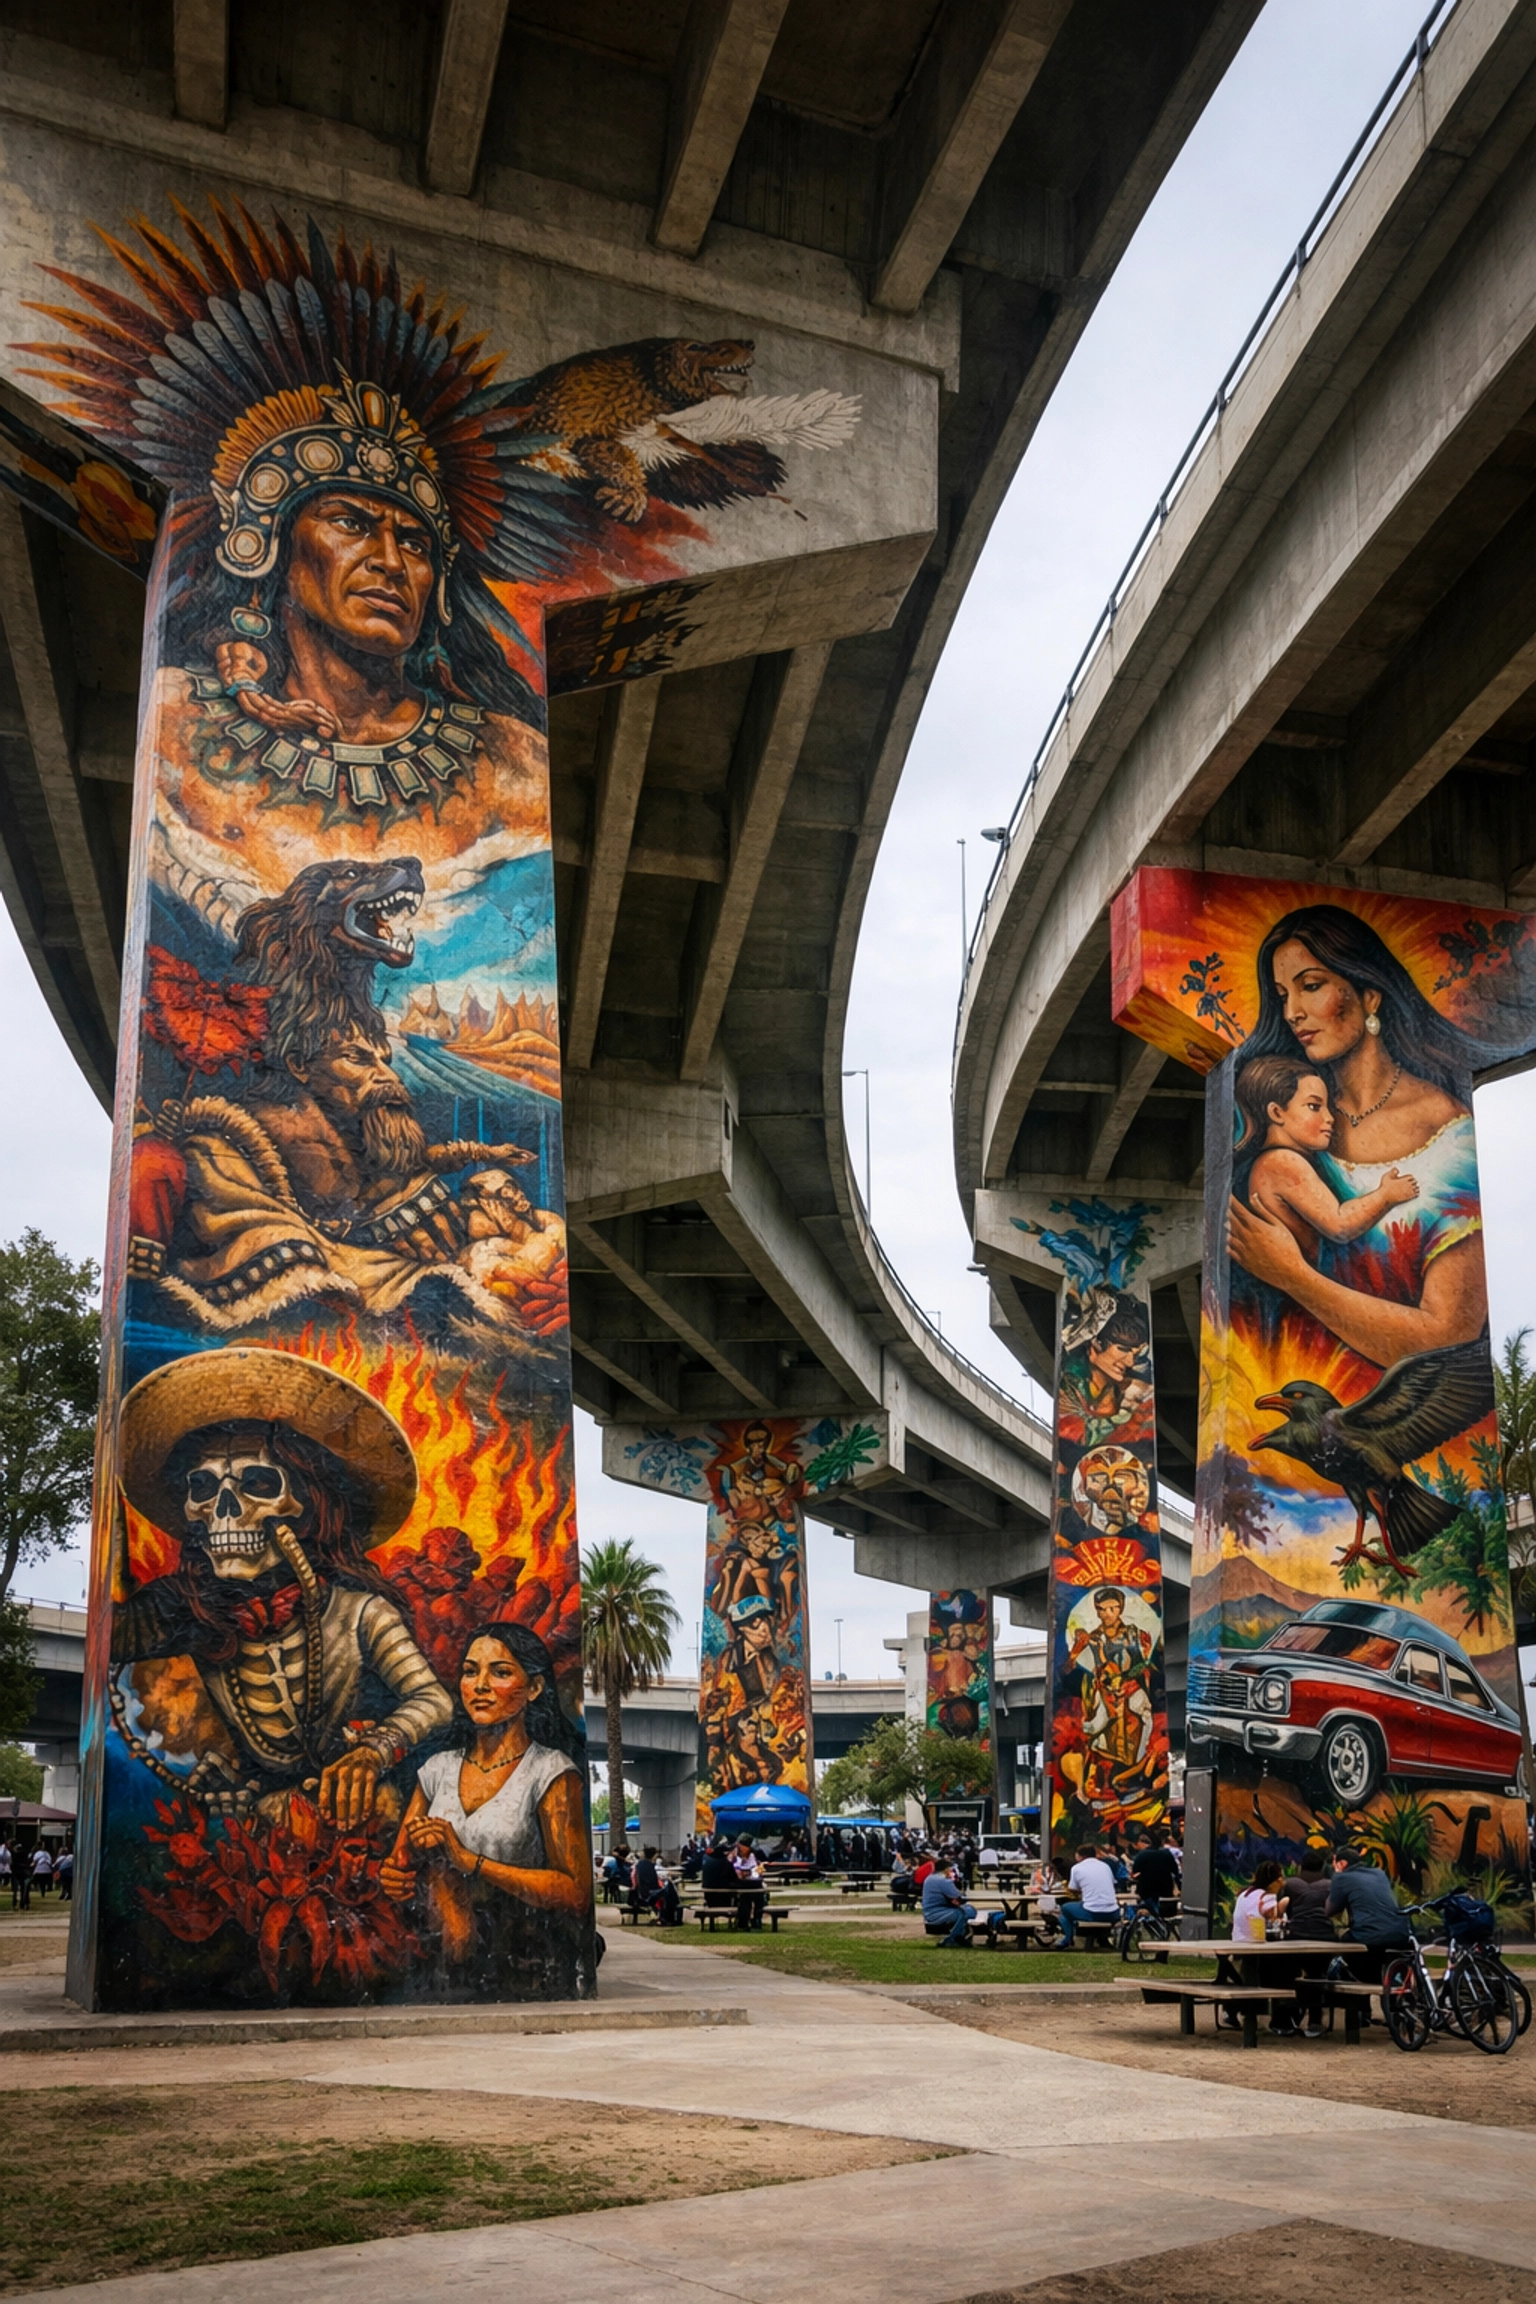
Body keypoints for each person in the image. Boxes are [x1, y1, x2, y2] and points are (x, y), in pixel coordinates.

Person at [1227, 906, 1492, 1369]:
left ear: (1370, 996)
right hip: (1279, 1377)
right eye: (1282, 995)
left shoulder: (1444, 1132)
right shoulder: (1283, 1115)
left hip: (1390, 1404)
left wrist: (1294, 1277)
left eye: (1311, 986)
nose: (1291, 1012)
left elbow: (1451, 1335)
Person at [382, 1622, 589, 1996]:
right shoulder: (437, 1769)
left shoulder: (550, 1772)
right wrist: (395, 1876)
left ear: (534, 1688)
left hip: (517, 1961)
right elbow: (399, 1862)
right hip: (441, 1961)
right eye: (470, 1671)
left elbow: (575, 1892)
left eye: (501, 1672)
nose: (480, 1686)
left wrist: (470, 1861)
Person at [1235, 1057, 1418, 1262]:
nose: (1329, 1118)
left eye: (1327, 1107)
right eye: (1314, 1106)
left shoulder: (1272, 1161)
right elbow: (1340, 1226)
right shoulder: (1282, 1161)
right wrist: (1386, 1195)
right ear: (1277, 1113)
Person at [1326, 1846, 1413, 2010]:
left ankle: (1360, 2009)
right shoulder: (1379, 1874)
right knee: (1383, 1968)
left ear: (1342, 1863)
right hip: (1400, 1935)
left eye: (1334, 1863)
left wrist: (1336, 1881)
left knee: (1345, 1948)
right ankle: (1392, 2009)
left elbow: (1330, 1910)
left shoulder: (1342, 1878)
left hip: (1369, 1939)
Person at [921, 1857, 1002, 1949]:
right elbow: (957, 1895)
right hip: (937, 1913)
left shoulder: (929, 1878)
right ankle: (952, 1939)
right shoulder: (943, 1880)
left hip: (929, 1912)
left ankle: (963, 1935)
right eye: (950, 1869)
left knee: (968, 1910)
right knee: (964, 1913)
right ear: (946, 1869)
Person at [1058, 1841, 1120, 1950]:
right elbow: (1112, 1883)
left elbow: (1073, 1889)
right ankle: (1102, 1939)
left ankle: (1068, 1938)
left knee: (1065, 1909)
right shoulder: (1105, 1866)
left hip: (1092, 1911)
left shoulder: (1077, 1868)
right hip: (1113, 1912)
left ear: (1080, 1855)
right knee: (1076, 1909)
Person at [1130, 1830, 1180, 1918]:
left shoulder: (1141, 1855)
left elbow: (1134, 1873)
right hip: (1165, 1891)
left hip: (1146, 1892)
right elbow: (1175, 1871)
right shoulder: (1166, 1853)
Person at [1232, 1860, 1283, 1943]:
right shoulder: (1267, 1898)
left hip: (1238, 1942)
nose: (1282, 1883)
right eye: (1281, 1878)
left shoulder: (1244, 1894)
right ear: (1275, 1882)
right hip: (1256, 1945)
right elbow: (1273, 1926)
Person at [731, 1836, 768, 1929]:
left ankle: (757, 1919)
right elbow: (736, 1872)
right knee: (745, 1897)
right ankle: (744, 1921)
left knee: (759, 1895)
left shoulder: (753, 1856)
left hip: (753, 1883)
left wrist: (758, 1871)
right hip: (741, 1884)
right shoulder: (735, 1857)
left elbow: (759, 1869)